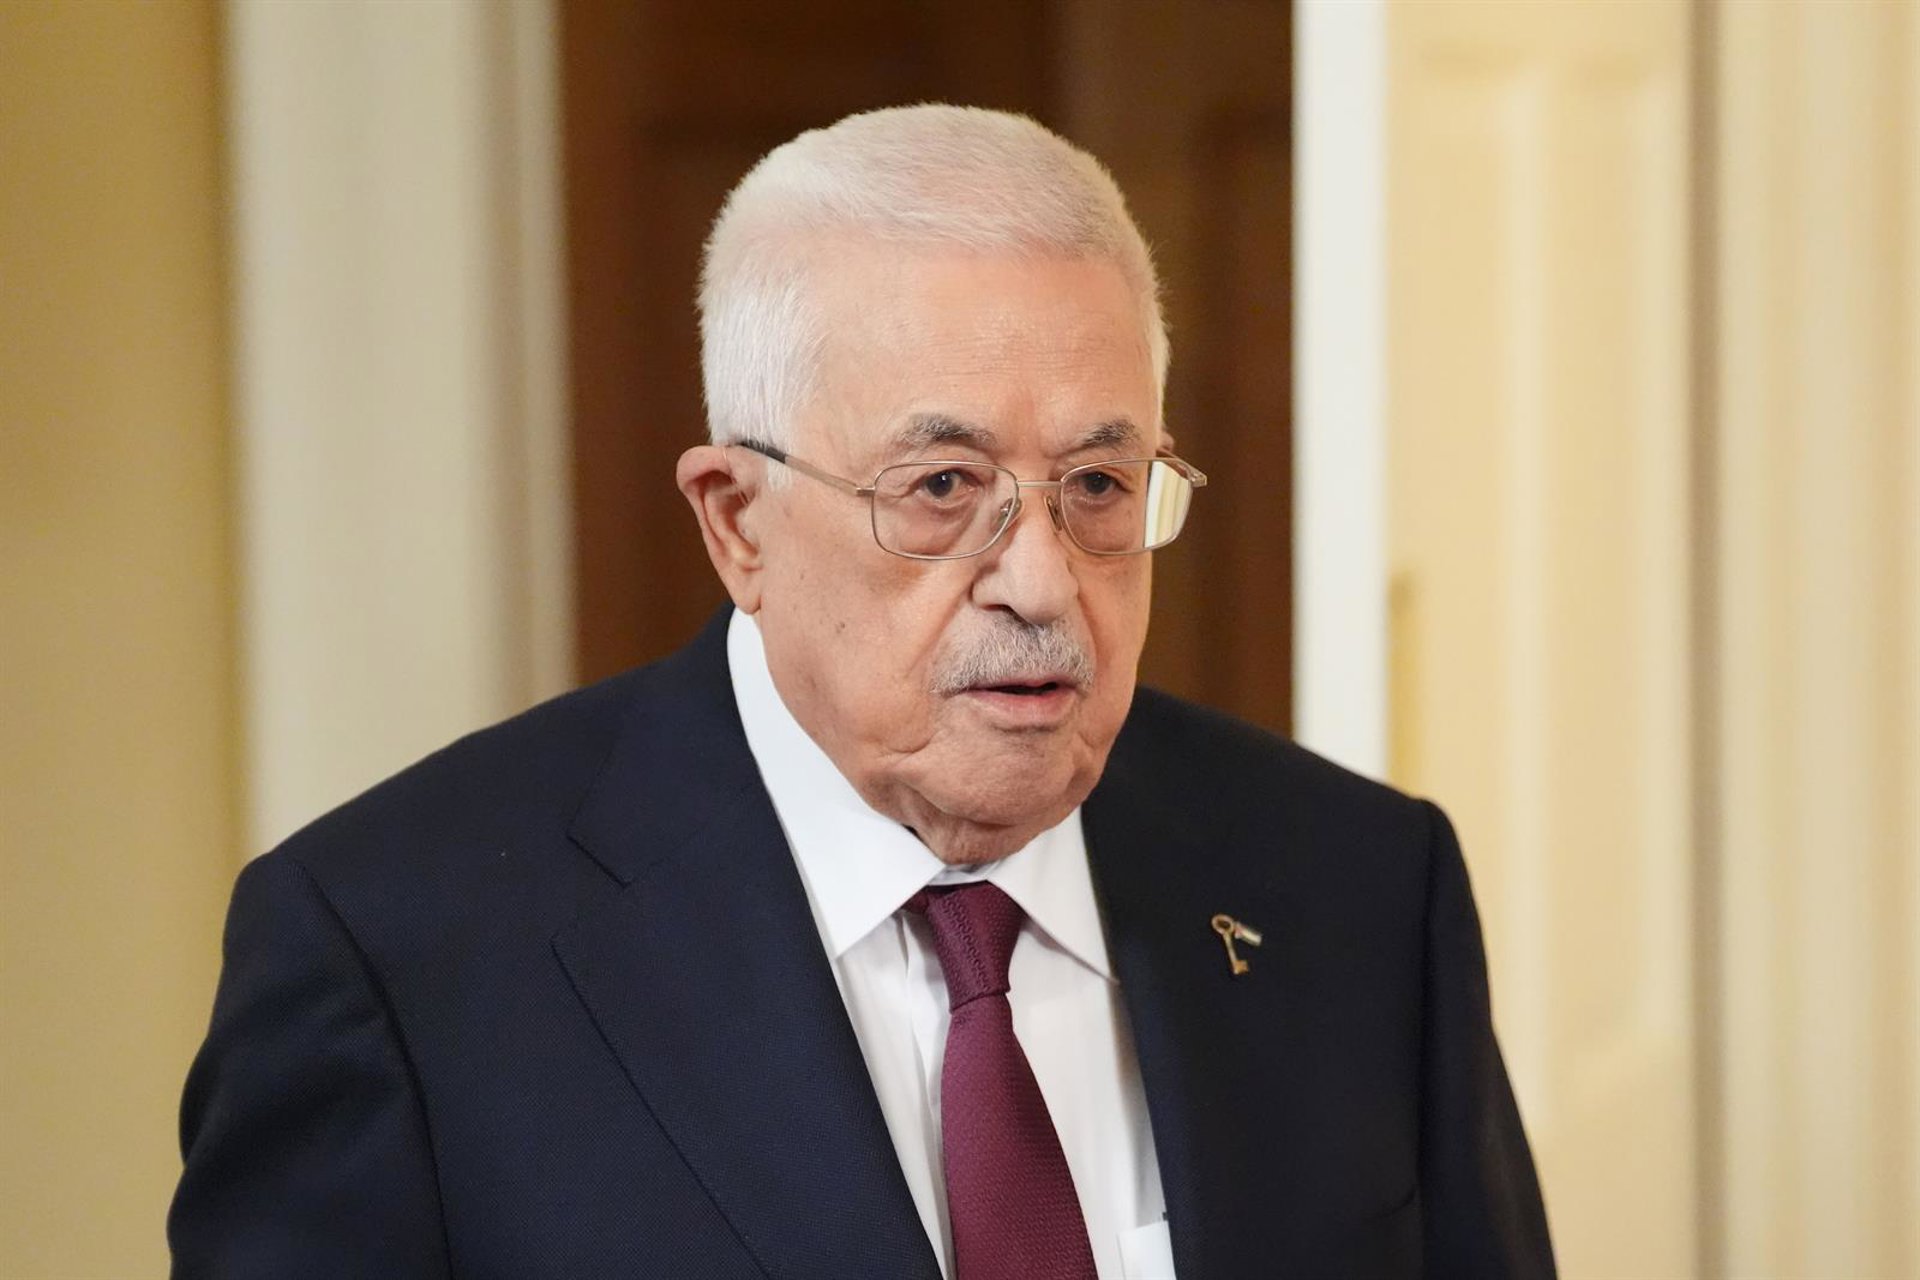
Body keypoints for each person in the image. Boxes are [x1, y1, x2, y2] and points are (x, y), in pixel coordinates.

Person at [170, 105, 1553, 1279]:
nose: (1041, 583)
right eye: (942, 487)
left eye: (1098, 486)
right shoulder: (398, 958)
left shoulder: (1360, 887)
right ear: (738, 522)